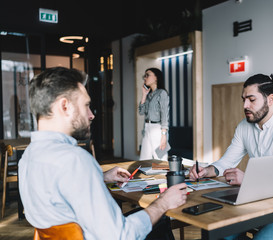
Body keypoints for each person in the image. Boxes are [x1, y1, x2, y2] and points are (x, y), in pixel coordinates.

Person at [19, 67, 188, 239]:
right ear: (65, 106)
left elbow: (57, 189)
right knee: (160, 220)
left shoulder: (28, 157)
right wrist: (163, 203)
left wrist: (100, 176)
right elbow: (121, 235)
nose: (91, 115)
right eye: (85, 105)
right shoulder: (76, 160)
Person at [189, 74, 273, 239]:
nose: (245, 105)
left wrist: (251, 180)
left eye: (251, 100)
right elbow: (227, 161)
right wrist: (207, 171)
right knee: (217, 234)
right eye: (243, 99)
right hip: (261, 203)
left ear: (270, 99)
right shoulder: (244, 126)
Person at [139, 68, 170, 160]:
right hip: (147, 127)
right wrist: (144, 95)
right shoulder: (148, 95)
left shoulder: (162, 93)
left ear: (156, 78)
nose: (145, 78)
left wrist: (164, 135)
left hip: (158, 129)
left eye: (147, 75)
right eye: (144, 76)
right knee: (144, 159)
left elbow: (165, 115)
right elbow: (141, 112)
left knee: (160, 159)